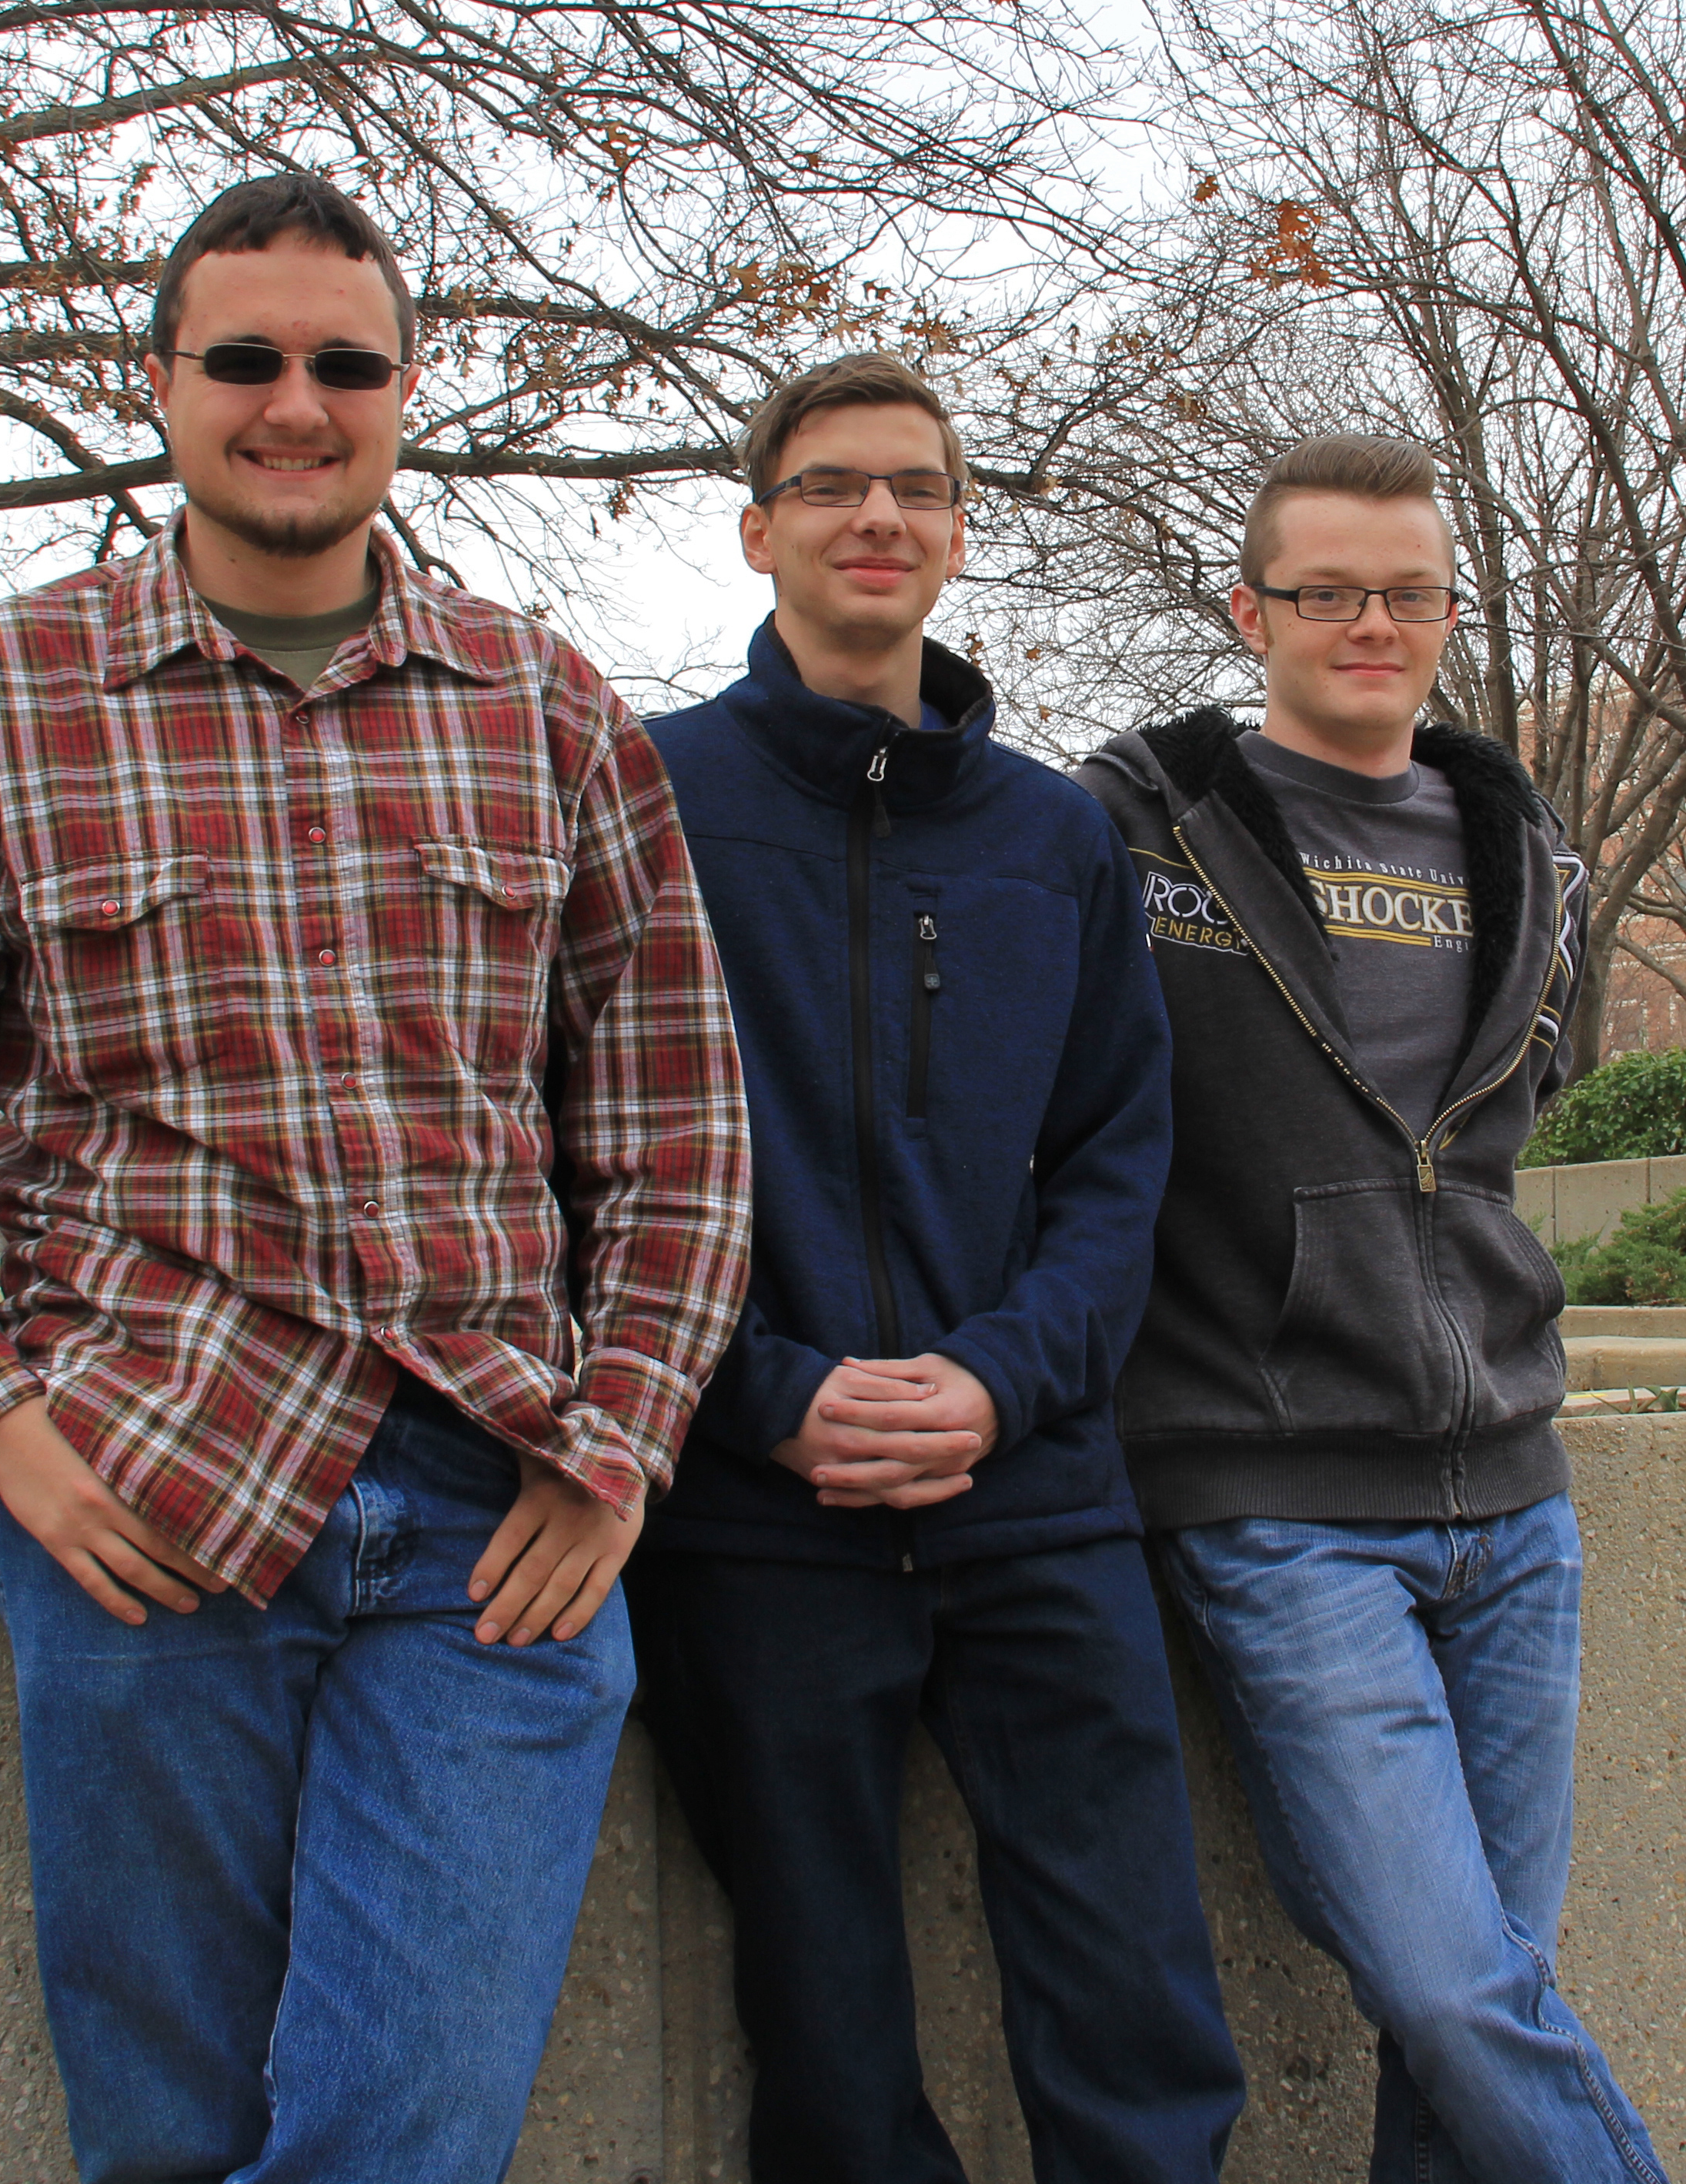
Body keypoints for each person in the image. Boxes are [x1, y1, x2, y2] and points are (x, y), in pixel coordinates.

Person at [0, 170, 753, 2184]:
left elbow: (678, 1123)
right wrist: (2, 1437)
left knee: (408, 2132)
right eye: (245, 360)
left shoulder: (546, 710)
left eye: (344, 364)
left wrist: (626, 1437)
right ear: (162, 386)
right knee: (166, 2137)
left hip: (497, 1520)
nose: (295, 402)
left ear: (402, 396)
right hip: (148, 1503)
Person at [630, 353, 1246, 2182]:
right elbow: (592, 1161)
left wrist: (995, 1380)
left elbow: (1118, 1165)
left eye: (914, 486)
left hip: (1034, 1500)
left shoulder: (1059, 838)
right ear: (758, 531)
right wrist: (773, 1395)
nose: (876, 514)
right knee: (823, 2042)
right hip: (758, 1518)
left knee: (1135, 1998)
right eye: (830, 485)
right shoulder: (644, 797)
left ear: (962, 536)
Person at [1077, 433, 1669, 2184]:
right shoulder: (1138, 836)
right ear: (1250, 610)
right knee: (1446, 1974)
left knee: (1483, 1995)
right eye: (1327, 592)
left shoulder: (1526, 854)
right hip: (1274, 1495)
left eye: (1407, 593)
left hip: (1514, 1486)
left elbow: (1511, 1113)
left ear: (1445, 615)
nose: (1370, 623)